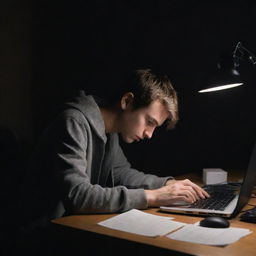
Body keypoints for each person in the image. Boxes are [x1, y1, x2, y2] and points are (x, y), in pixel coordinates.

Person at [19, 68, 209, 235]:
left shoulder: (110, 131)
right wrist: (153, 196)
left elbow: (121, 174)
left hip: (72, 229)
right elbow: (77, 195)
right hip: (43, 235)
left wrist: (168, 184)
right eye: (149, 122)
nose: (149, 134)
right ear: (127, 101)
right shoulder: (72, 122)